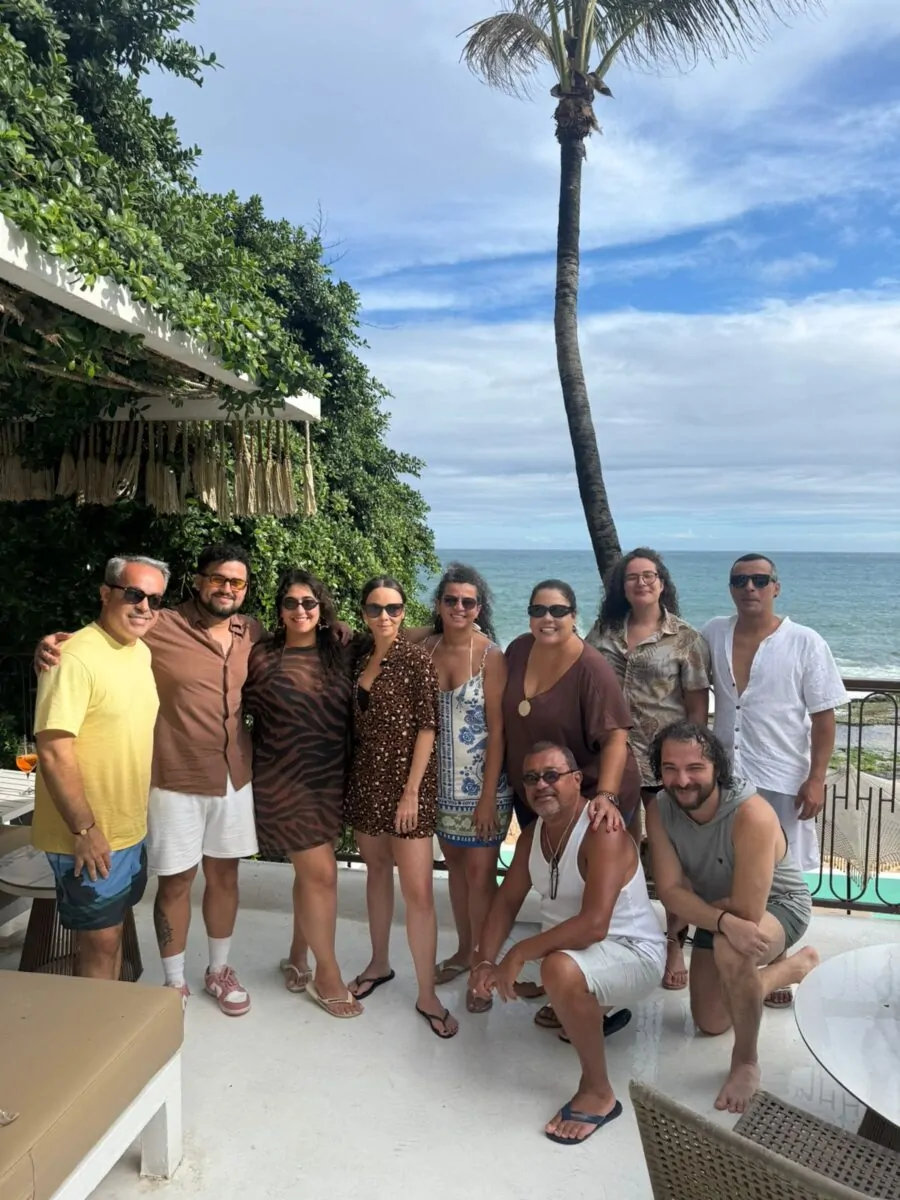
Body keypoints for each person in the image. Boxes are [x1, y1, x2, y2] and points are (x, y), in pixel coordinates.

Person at [37, 543, 263, 1015]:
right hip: (175, 776)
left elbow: (306, 636)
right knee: (176, 882)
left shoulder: (251, 631)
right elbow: (100, 635)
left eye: (237, 582)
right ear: (198, 581)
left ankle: (219, 970)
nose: (227, 588)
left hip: (232, 775)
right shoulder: (161, 625)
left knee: (225, 876)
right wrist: (52, 644)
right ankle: (173, 982)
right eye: (218, 578)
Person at [470, 742, 665, 1145]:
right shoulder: (532, 836)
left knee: (554, 968)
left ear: (577, 780)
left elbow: (594, 925)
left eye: (552, 775)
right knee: (511, 967)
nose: (541, 785)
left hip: (632, 953)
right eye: (531, 778)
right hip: (576, 949)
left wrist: (519, 953)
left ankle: (598, 1092)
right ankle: (590, 1011)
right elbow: (506, 902)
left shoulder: (602, 830)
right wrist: (485, 961)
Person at [645, 721, 819, 1114]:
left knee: (731, 951)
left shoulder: (751, 814)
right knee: (710, 1022)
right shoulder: (660, 809)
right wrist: (716, 918)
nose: (682, 780)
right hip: (720, 915)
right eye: (670, 768)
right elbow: (669, 891)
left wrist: (702, 911)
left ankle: (745, 1063)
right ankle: (792, 968)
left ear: (717, 769)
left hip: (779, 904)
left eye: (695, 768)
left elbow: (748, 912)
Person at [702, 553, 845, 996]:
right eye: (740, 580)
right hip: (727, 779)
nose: (750, 587)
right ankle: (742, 953)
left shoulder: (805, 642)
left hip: (781, 777)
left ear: (776, 588)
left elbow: (824, 717)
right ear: (730, 588)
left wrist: (816, 778)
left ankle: (782, 957)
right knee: (733, 867)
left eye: (760, 580)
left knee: (781, 876)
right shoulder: (713, 633)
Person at [502, 578, 637, 1026]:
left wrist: (606, 797)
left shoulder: (590, 666)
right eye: (538, 610)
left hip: (591, 794)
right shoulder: (518, 650)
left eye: (558, 611)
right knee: (554, 888)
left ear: (574, 616)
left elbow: (616, 737)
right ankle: (556, 978)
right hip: (538, 790)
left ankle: (597, 994)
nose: (548, 618)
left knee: (591, 899)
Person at [31, 555, 167, 979]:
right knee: (99, 946)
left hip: (128, 830)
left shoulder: (140, 652)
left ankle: (108, 1007)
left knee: (110, 937)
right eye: (134, 594)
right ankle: (97, 1017)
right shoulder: (71, 657)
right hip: (89, 835)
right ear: (106, 593)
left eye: (155, 599)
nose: (144, 606)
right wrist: (85, 831)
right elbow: (53, 751)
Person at [587, 548, 711, 991]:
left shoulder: (685, 638)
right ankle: (624, 932)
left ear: (661, 582)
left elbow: (696, 709)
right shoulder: (603, 631)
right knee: (617, 850)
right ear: (621, 586)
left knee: (668, 857)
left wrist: (694, 765)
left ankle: (674, 941)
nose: (640, 583)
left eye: (648, 575)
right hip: (613, 761)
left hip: (664, 765)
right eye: (632, 577)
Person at [243, 570, 361, 1018]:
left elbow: (396, 634)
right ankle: (327, 975)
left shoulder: (341, 650)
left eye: (309, 602)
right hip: (282, 783)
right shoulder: (261, 657)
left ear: (322, 607)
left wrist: (460, 629)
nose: (300, 610)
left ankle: (297, 956)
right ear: (279, 610)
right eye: (290, 603)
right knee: (323, 875)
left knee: (309, 875)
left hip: (327, 781)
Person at [345, 576, 458, 1039]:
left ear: (404, 611)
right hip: (366, 782)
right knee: (375, 873)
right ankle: (379, 963)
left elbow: (428, 728)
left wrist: (411, 792)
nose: (384, 616)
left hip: (408, 787)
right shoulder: (358, 658)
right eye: (375, 608)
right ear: (363, 613)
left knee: (418, 893)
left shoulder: (415, 660)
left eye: (393, 608)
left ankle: (427, 993)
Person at [406, 563, 512, 1012]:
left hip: (484, 788)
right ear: (438, 604)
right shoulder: (425, 647)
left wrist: (487, 797)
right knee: (454, 870)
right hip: (440, 787)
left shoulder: (491, 657)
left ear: (479, 608)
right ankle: (465, 951)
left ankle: (483, 968)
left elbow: (499, 731)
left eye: (468, 602)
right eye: (450, 600)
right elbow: (389, 631)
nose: (459, 608)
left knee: (481, 878)